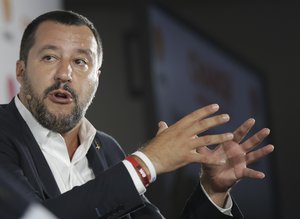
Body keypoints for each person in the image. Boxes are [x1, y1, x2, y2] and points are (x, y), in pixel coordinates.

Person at [0, 10, 274, 219]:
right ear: (21, 71)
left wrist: (213, 192)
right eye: (49, 57)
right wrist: (146, 163)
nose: (65, 74)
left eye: (80, 62)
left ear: (96, 79)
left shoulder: (107, 150)